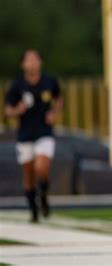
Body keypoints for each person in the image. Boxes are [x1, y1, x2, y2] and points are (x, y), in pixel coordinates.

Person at [5, 49, 63, 223]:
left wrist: (54, 113)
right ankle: (34, 210)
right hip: (25, 134)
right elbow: (8, 110)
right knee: (29, 175)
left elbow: (59, 99)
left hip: (44, 132)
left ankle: (43, 195)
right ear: (23, 64)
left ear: (40, 62)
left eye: (35, 59)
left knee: (41, 168)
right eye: (28, 60)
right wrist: (17, 110)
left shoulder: (49, 81)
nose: (32, 63)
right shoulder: (17, 85)